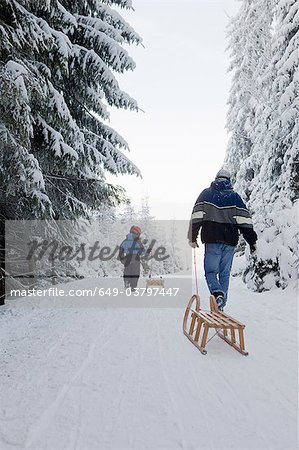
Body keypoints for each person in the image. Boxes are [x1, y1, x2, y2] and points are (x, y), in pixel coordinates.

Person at [188, 168, 257, 310]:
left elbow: (196, 216)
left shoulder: (206, 194)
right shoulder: (235, 197)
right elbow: (245, 221)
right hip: (230, 242)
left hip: (212, 240)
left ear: (216, 178)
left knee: (211, 272)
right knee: (224, 274)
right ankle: (220, 305)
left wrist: (192, 237)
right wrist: (252, 241)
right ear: (229, 180)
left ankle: (217, 293)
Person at [119, 226, 145, 291]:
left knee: (127, 271)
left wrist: (123, 260)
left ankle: (126, 283)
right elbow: (142, 252)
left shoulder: (125, 241)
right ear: (137, 233)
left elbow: (120, 252)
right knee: (135, 273)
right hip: (136, 258)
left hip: (127, 258)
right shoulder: (138, 242)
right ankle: (133, 287)